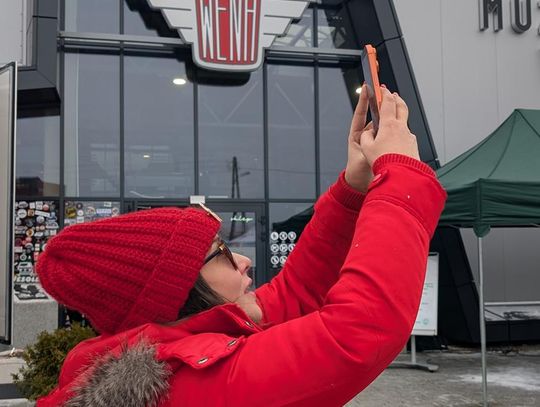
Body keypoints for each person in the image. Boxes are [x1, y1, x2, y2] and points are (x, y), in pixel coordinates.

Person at [35, 86, 446, 407]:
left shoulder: (180, 344)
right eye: (222, 253)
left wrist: (353, 191)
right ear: (178, 292)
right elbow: (356, 333)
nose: (245, 260)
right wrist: (401, 178)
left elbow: (295, 293)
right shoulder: (190, 384)